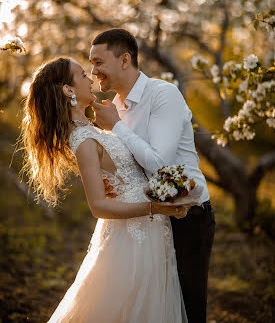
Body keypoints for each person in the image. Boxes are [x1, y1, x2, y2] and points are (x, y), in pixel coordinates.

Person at [22, 57, 195, 323]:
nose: (90, 78)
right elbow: (98, 206)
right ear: (68, 90)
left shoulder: (92, 129)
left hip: (150, 228)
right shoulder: (82, 140)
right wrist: (154, 207)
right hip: (131, 235)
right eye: (81, 75)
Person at [90, 28, 216, 323]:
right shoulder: (117, 107)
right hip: (148, 221)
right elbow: (133, 164)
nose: (93, 71)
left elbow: (161, 166)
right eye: (91, 63)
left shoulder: (163, 94)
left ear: (124, 60)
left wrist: (116, 127)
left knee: (187, 307)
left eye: (98, 62)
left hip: (187, 216)